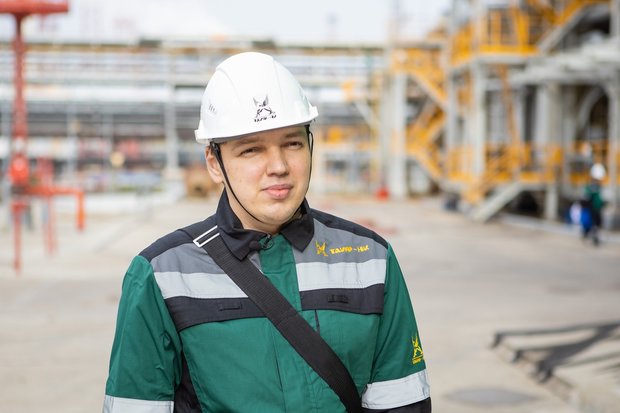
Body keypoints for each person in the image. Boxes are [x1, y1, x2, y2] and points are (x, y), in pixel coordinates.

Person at [103, 52, 431, 413]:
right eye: (251, 149)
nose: (278, 166)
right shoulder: (162, 275)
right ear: (214, 163)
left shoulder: (370, 260)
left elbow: (402, 403)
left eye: (292, 143)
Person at [580, 163, 606, 246]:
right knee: (591, 222)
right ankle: (589, 235)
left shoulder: (598, 186)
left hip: (597, 208)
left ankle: (594, 236)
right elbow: (586, 197)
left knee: (597, 223)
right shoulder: (591, 186)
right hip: (592, 208)